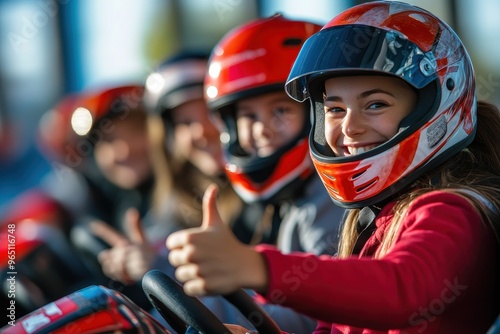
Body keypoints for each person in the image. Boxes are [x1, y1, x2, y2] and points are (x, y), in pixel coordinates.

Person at [166, 1, 500, 333]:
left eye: (375, 104)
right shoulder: (372, 218)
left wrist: (258, 267)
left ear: (436, 103)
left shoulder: (453, 208)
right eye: (335, 109)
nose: (350, 127)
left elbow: (402, 291)